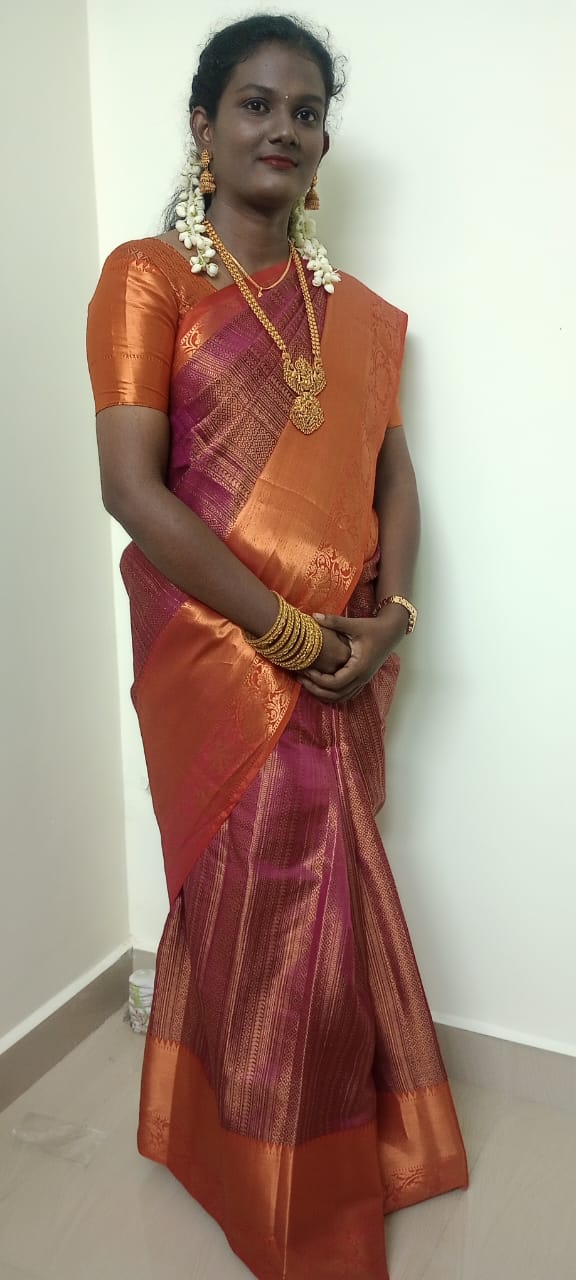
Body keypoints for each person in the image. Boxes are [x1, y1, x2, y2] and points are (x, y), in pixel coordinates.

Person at [86, 14, 468, 1279]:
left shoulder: (353, 316)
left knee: (322, 900)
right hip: (212, 655)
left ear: (322, 145)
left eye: (307, 113)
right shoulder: (148, 278)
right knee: (259, 896)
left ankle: (312, 1149)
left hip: (342, 652)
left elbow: (394, 480)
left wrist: (391, 618)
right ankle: (262, 1173)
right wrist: (287, 628)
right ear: (205, 126)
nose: (284, 130)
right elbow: (133, 488)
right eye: (257, 104)